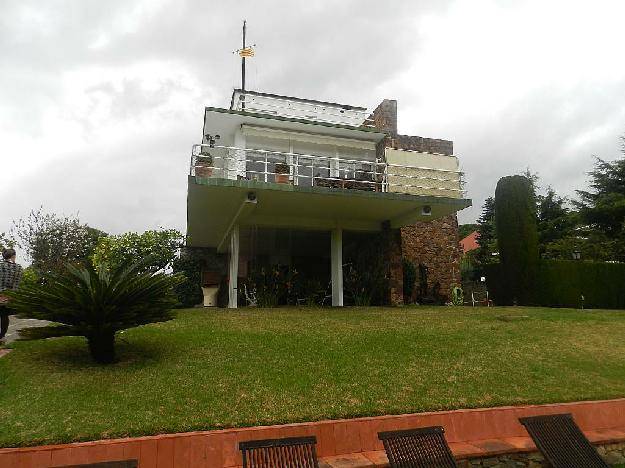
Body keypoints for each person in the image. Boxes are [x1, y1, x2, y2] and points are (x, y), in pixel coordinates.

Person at [0, 248, 23, 341]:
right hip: (10, 295)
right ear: (13, 256)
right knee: (4, 315)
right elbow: (17, 283)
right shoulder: (19, 267)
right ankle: (2, 336)